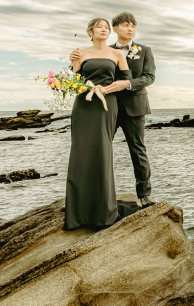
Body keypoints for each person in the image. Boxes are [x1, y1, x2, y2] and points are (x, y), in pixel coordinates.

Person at [70, 11, 156, 208]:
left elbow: (149, 77)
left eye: (133, 26)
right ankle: (88, 196)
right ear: (115, 29)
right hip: (105, 107)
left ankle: (144, 195)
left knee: (138, 150)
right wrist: (72, 59)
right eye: (126, 25)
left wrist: (126, 83)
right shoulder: (103, 49)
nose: (131, 29)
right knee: (97, 149)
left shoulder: (144, 50)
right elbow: (82, 73)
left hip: (134, 106)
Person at [64, 17, 138, 230]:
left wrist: (109, 88)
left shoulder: (116, 54)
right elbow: (75, 81)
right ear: (90, 31)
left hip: (106, 105)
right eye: (100, 27)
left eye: (107, 27)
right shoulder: (81, 53)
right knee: (80, 153)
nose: (104, 29)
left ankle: (103, 210)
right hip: (84, 105)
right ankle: (78, 211)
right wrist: (74, 65)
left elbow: (125, 80)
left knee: (102, 151)